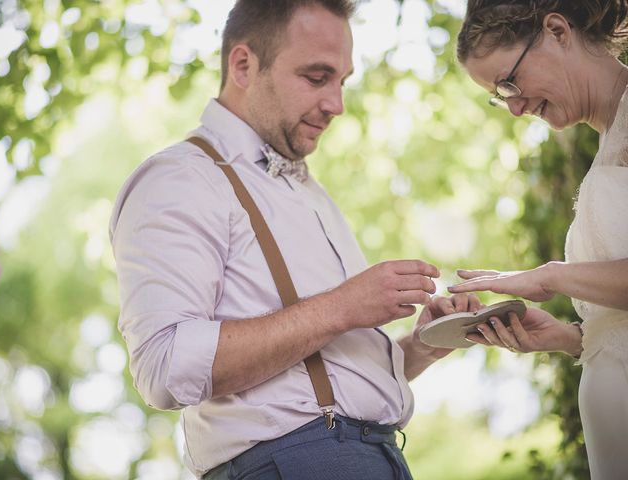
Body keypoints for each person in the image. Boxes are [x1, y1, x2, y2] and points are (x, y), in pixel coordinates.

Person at [110, 1, 479, 478]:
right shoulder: (180, 177)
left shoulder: (308, 192)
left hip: (374, 456)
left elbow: (321, 375)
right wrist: (343, 305)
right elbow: (165, 366)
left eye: (342, 81)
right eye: (316, 77)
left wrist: (419, 348)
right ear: (243, 65)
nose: (337, 105)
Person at [449, 1, 628, 478]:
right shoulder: (607, 141)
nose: (514, 108)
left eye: (508, 82)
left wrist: (552, 277)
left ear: (556, 32)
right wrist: (576, 339)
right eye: (498, 96)